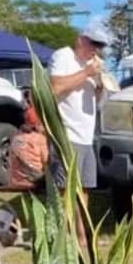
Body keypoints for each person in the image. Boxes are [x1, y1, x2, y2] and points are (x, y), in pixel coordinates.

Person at [48, 22, 110, 191]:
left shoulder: (91, 66)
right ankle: (65, 219)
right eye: (94, 43)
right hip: (67, 136)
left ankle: (81, 219)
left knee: (85, 189)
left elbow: (97, 102)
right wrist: (87, 73)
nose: (96, 49)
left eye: (100, 46)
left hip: (86, 139)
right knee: (65, 190)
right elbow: (55, 88)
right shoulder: (64, 56)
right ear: (80, 41)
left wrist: (100, 85)